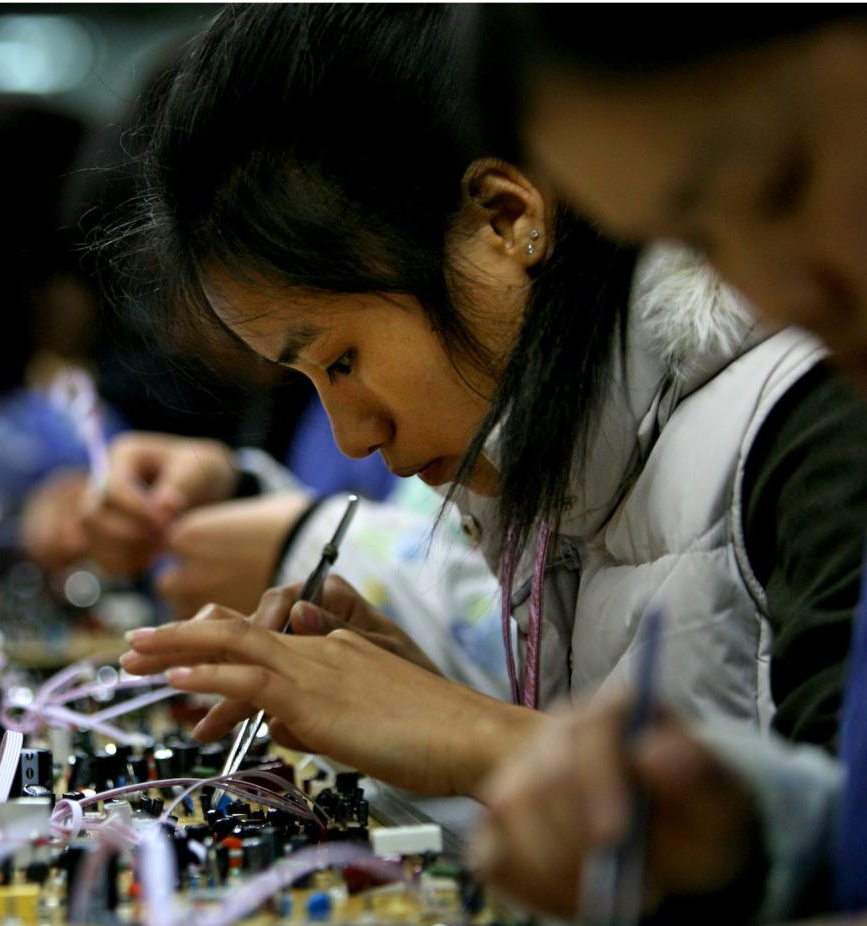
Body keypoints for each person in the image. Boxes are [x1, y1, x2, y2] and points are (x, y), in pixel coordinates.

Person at [112, 3, 867, 801]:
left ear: (506, 219)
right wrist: (434, 706)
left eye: (341, 360)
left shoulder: (809, 424)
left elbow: (839, 859)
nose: (351, 440)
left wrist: (477, 737)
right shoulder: (568, 468)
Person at [468, 6, 867, 923]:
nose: (781, 293)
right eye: (701, 244)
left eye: (782, 182)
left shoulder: (814, 430)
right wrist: (748, 834)